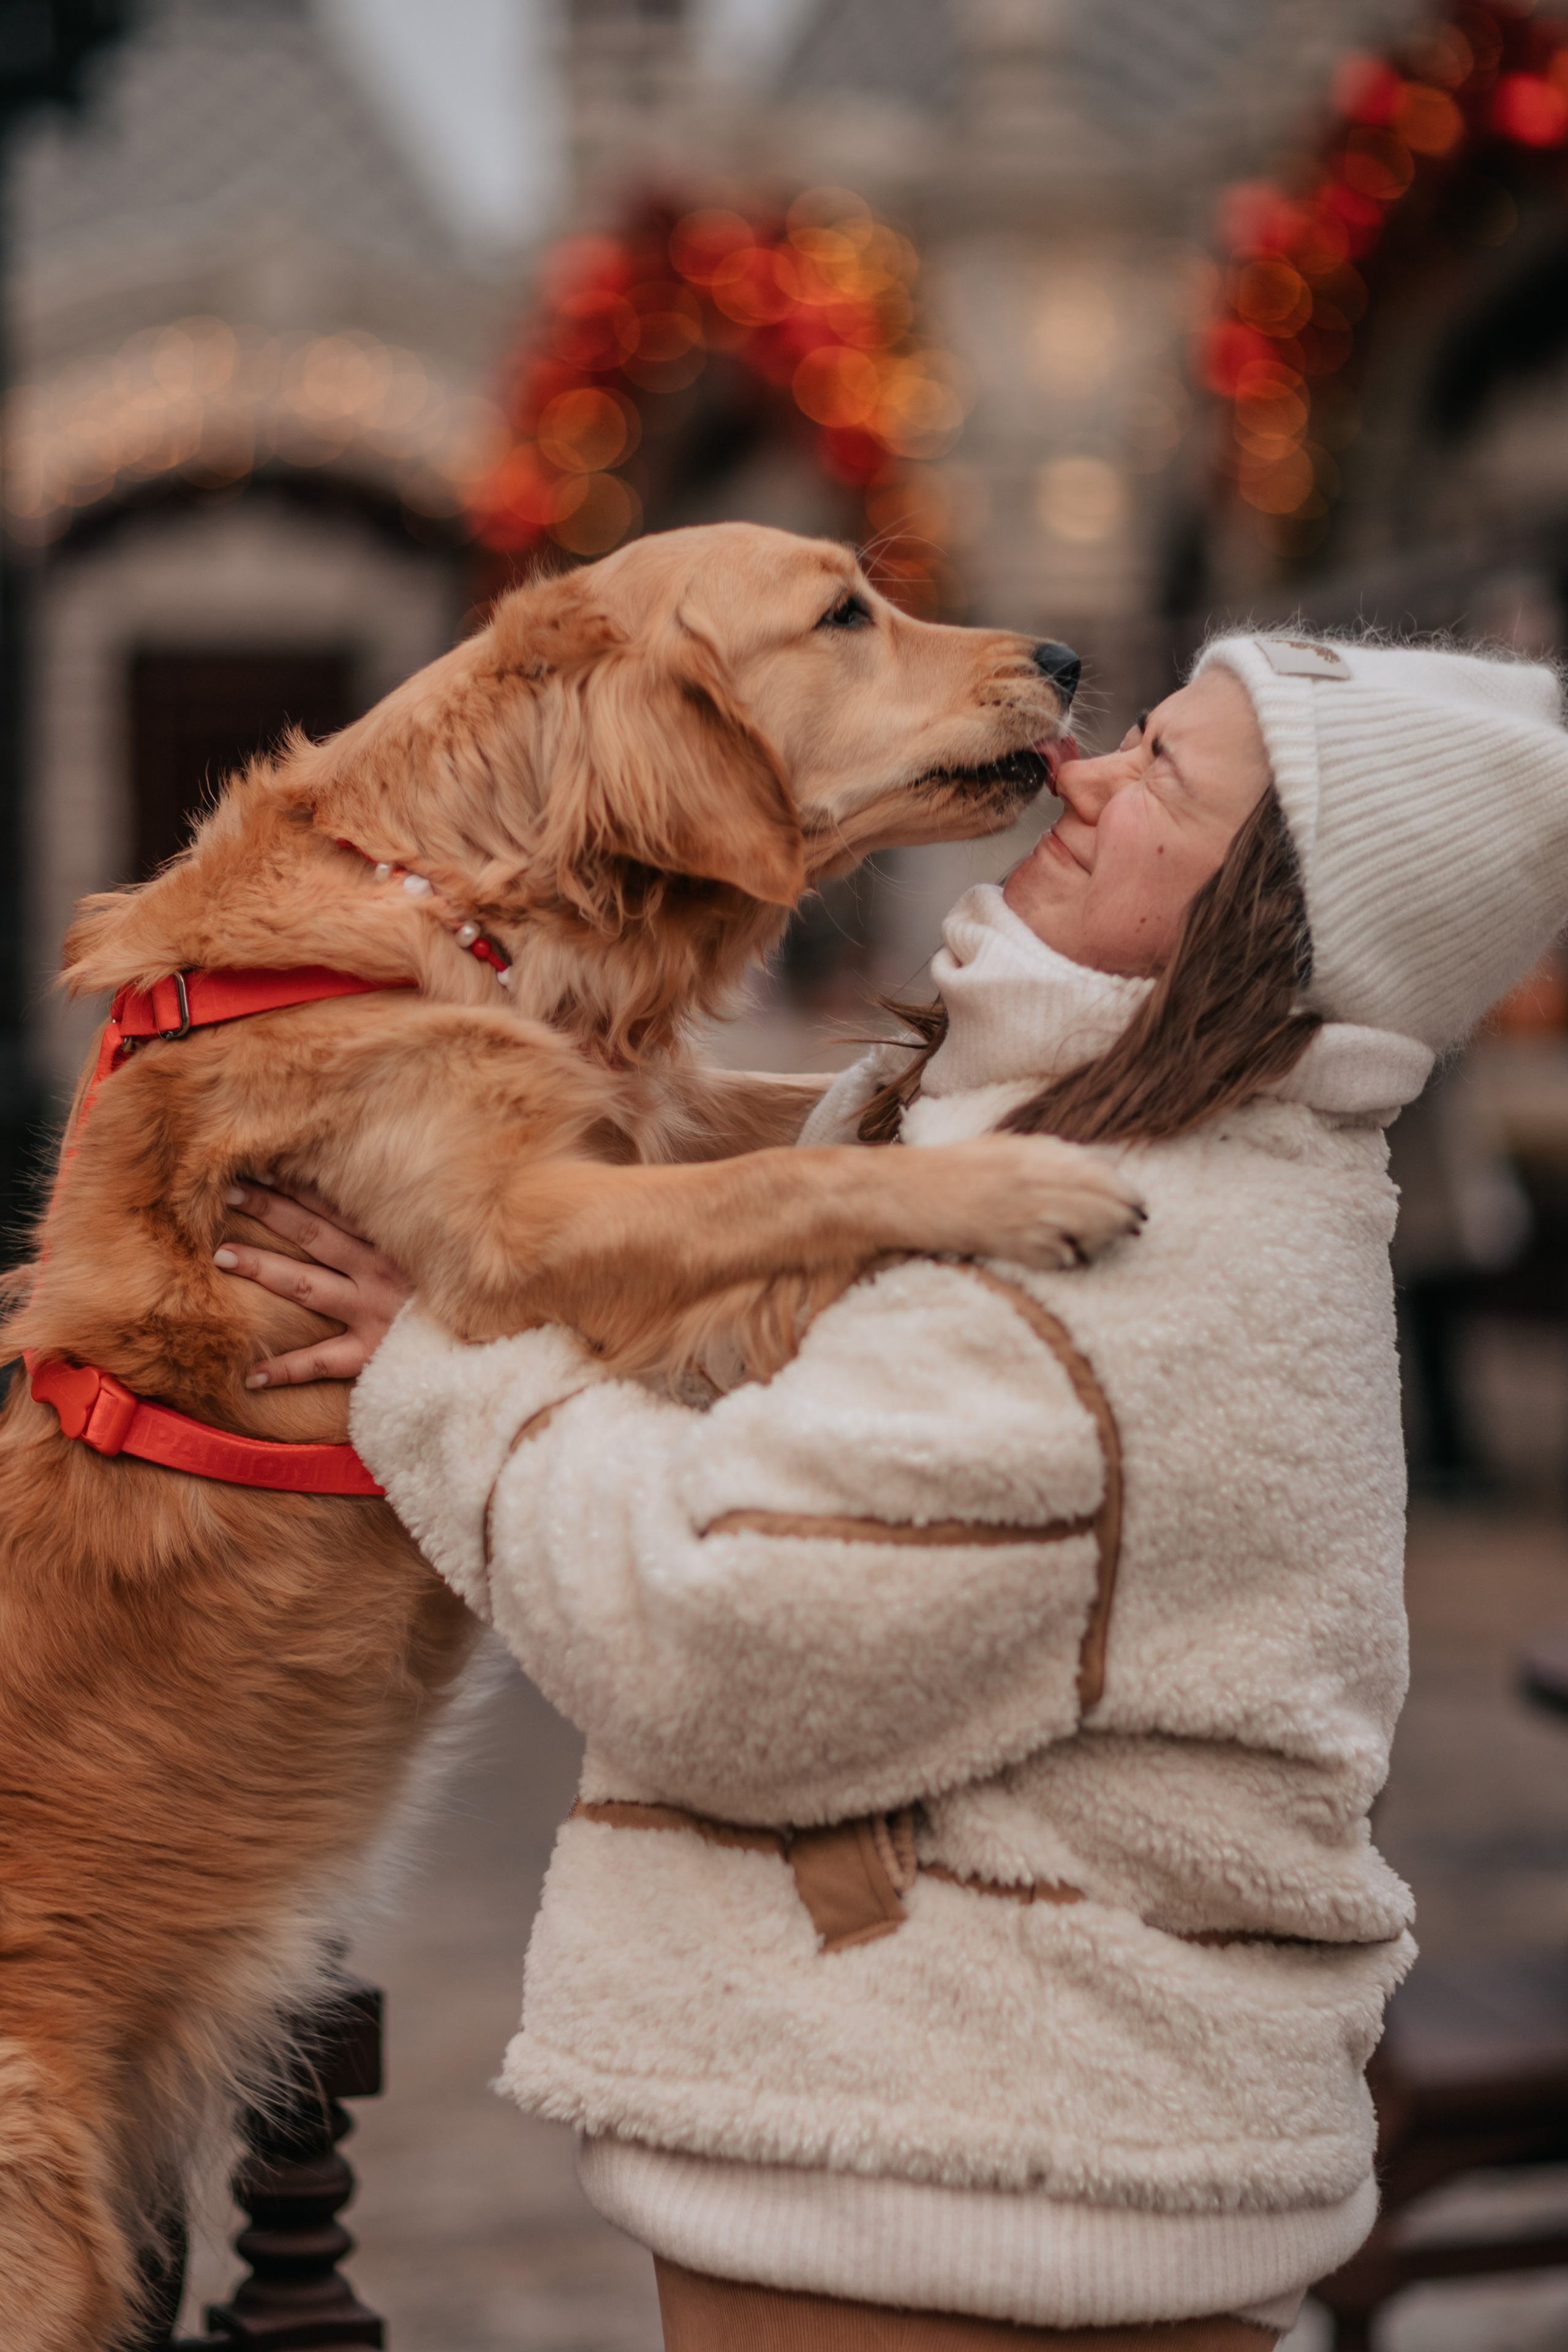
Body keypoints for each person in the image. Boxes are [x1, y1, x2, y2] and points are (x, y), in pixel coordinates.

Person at [220, 634, 1568, 2350]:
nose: (1077, 776)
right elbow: (764, 1344)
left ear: (1281, 915)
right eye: (1137, 735)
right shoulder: (1042, 1134)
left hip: (971, 2197)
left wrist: (438, 1377)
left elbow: (719, 1639)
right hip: (967, 2160)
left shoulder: (1114, 1251)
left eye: (1162, 780)